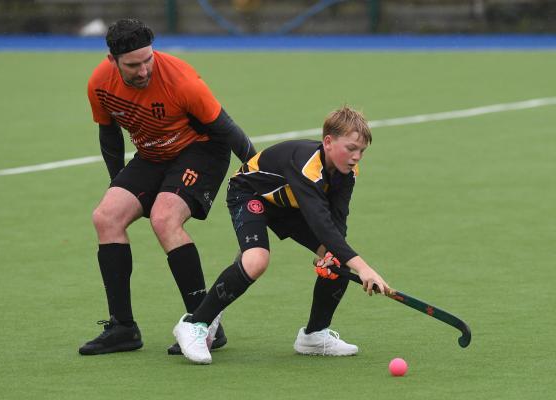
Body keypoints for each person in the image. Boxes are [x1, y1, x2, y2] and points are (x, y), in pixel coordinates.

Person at [78, 18, 256, 356]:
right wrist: (119, 184)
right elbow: (109, 135)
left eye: (148, 60)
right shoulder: (99, 85)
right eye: (133, 65)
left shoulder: (182, 81)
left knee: (164, 219)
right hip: (153, 152)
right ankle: (122, 328)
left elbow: (229, 130)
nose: (144, 70)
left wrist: (260, 173)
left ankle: (204, 325)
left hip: (201, 148)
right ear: (112, 60)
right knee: (106, 216)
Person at [172, 106, 391, 364]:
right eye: (351, 148)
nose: (356, 157)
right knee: (256, 260)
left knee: (337, 259)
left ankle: (314, 335)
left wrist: (332, 257)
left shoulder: (347, 173)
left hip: (288, 204)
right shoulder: (306, 165)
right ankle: (195, 323)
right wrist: (364, 268)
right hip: (250, 194)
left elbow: (336, 222)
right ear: (328, 142)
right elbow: (320, 223)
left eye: (362, 151)